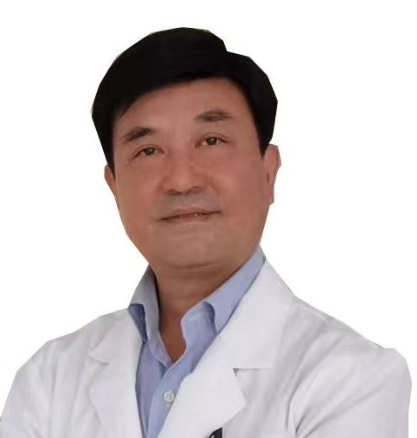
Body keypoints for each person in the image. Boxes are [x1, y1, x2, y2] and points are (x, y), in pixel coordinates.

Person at [0, 27, 411, 438]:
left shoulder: (353, 380)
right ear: (114, 187)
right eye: (147, 150)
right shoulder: (48, 380)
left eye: (211, 141)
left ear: (268, 173)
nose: (181, 180)